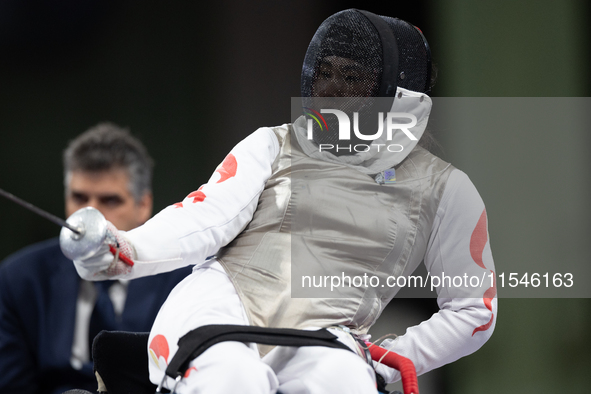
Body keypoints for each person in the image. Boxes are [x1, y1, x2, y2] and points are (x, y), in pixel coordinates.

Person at [70, 10, 497, 394]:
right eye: (324, 73)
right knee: (233, 380)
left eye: (351, 78)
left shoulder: (446, 190)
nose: (329, 89)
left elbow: (473, 308)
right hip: (223, 307)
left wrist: (386, 360)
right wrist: (126, 249)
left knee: (346, 384)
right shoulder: (273, 144)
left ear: (398, 97)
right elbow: (205, 216)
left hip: (326, 336)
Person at [0, 123, 192, 394]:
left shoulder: (185, 281)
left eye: (109, 200)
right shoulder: (19, 280)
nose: (90, 215)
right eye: (79, 198)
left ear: (144, 205)